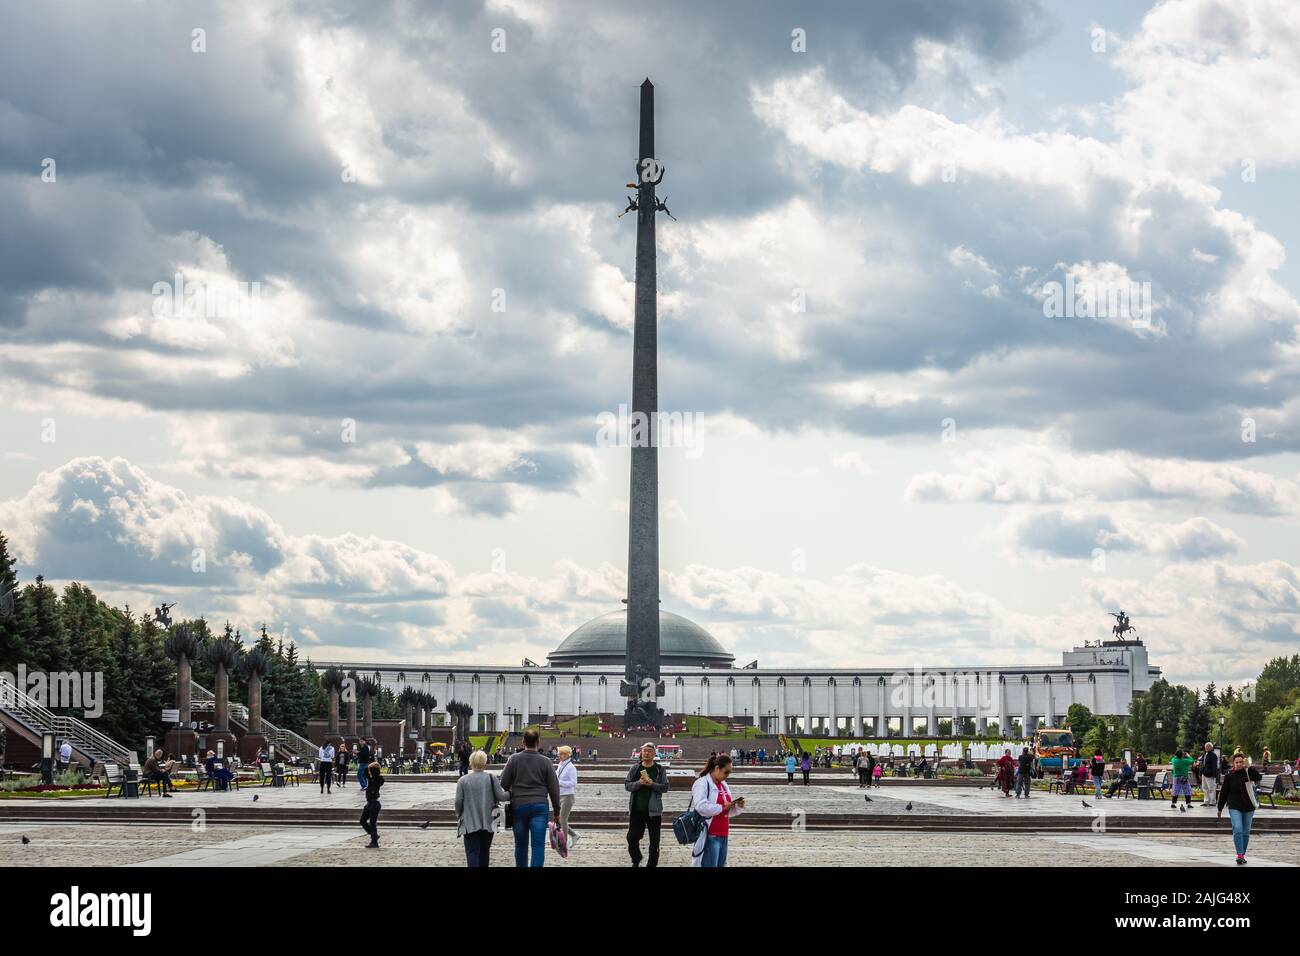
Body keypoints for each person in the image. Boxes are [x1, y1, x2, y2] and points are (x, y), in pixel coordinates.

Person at [499, 728, 561, 868]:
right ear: (538, 742)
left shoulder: (513, 759)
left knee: (520, 845)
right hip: (539, 806)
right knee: (538, 846)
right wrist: (557, 812)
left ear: (523, 742)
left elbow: (503, 783)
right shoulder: (546, 762)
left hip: (518, 806)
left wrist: (513, 790)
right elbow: (554, 789)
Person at [455, 749, 508, 867]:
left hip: (469, 822)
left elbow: (458, 801)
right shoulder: (491, 778)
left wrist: (459, 814)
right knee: (485, 852)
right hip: (488, 822)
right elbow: (502, 796)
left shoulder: (463, 780)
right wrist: (512, 792)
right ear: (485, 763)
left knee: (472, 852)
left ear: (470, 763)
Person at [691, 753, 744, 867]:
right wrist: (722, 807)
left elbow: (727, 812)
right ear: (717, 768)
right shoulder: (702, 783)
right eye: (726, 772)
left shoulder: (724, 785)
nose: (727, 775)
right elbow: (700, 806)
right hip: (710, 835)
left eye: (729, 772)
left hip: (723, 834)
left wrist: (738, 806)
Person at [624, 741, 670, 867]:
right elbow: (627, 785)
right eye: (645, 750)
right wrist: (639, 783)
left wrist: (652, 784)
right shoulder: (635, 768)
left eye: (650, 751)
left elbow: (665, 787)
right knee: (632, 838)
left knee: (654, 842)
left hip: (654, 812)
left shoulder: (660, 769)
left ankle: (651, 865)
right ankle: (636, 858)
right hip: (636, 810)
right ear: (641, 752)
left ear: (654, 753)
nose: (647, 753)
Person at [1217, 752, 1263, 864]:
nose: (1238, 764)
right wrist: (1220, 808)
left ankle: (1242, 854)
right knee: (1237, 828)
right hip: (1234, 806)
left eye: (1241, 762)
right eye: (1236, 762)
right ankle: (1240, 855)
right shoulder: (1229, 776)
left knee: (1246, 831)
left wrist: (1249, 767)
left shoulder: (1248, 773)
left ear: (1244, 762)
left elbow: (1258, 777)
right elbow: (1224, 793)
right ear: (1233, 763)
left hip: (1249, 806)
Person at [556, 745, 579, 849]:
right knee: (560, 819)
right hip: (559, 795)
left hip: (568, 796)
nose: (560, 756)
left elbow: (573, 783)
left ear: (567, 755)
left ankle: (563, 844)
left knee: (563, 820)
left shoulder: (571, 767)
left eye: (562, 754)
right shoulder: (560, 765)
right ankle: (574, 835)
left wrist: (559, 783)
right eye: (559, 753)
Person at [360, 761, 383, 848]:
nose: (370, 771)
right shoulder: (371, 779)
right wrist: (368, 767)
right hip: (369, 803)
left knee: (372, 823)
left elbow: (379, 780)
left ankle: (374, 842)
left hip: (375, 803)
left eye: (371, 770)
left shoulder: (378, 779)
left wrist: (373, 767)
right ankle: (374, 835)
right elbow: (365, 772)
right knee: (362, 821)